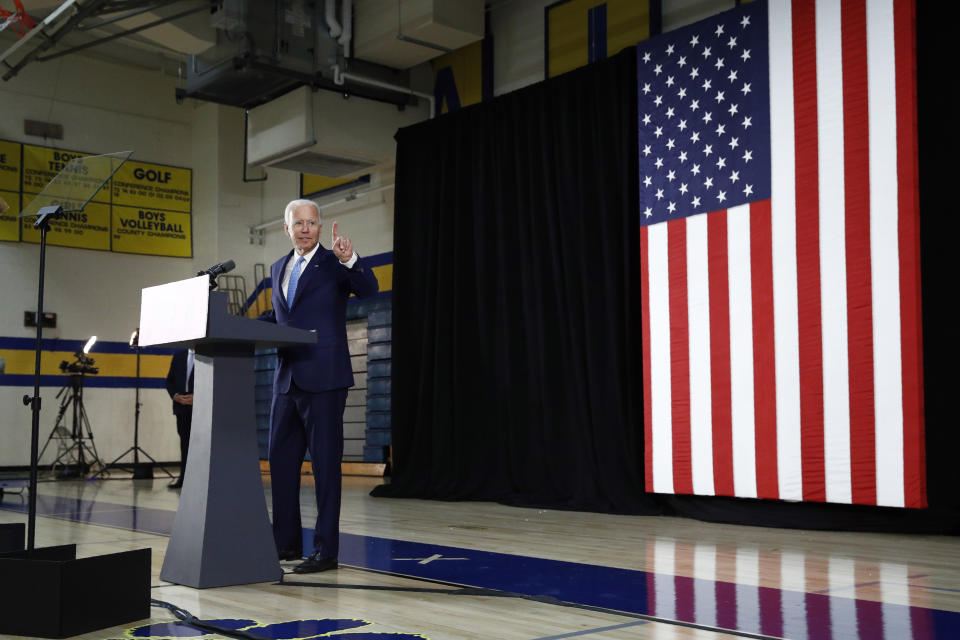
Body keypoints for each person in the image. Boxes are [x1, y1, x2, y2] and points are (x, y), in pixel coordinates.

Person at [260, 199, 379, 573]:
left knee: (325, 468)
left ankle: (326, 551)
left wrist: (351, 259)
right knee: (281, 465)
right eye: (300, 223)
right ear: (287, 228)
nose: (307, 229)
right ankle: (286, 545)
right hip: (286, 380)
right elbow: (280, 316)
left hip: (325, 379)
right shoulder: (278, 267)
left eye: (312, 223)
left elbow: (370, 290)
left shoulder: (334, 262)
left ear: (320, 226)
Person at [165, 348, 194, 489]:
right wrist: (175, 395)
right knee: (185, 444)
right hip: (181, 407)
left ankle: (199, 479)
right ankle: (184, 478)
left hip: (200, 408)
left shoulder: (207, 355)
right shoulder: (179, 356)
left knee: (202, 445)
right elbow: (169, 381)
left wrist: (198, 396)